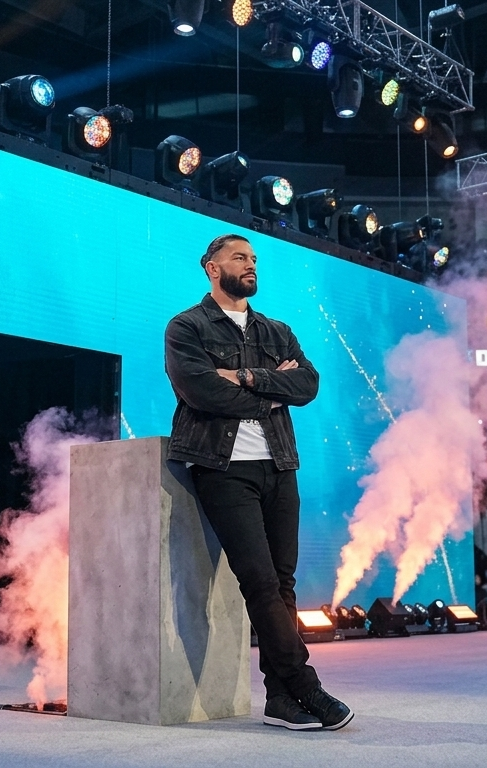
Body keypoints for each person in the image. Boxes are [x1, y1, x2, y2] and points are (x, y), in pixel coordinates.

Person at [164, 233, 352, 731]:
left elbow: (306, 385)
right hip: (223, 468)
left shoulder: (277, 331)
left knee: (283, 585)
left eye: (253, 259)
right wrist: (273, 389)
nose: (250, 265)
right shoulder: (187, 326)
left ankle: (280, 700)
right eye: (239, 258)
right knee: (262, 583)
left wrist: (246, 379)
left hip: (279, 466)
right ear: (211, 267)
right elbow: (200, 391)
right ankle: (307, 687)